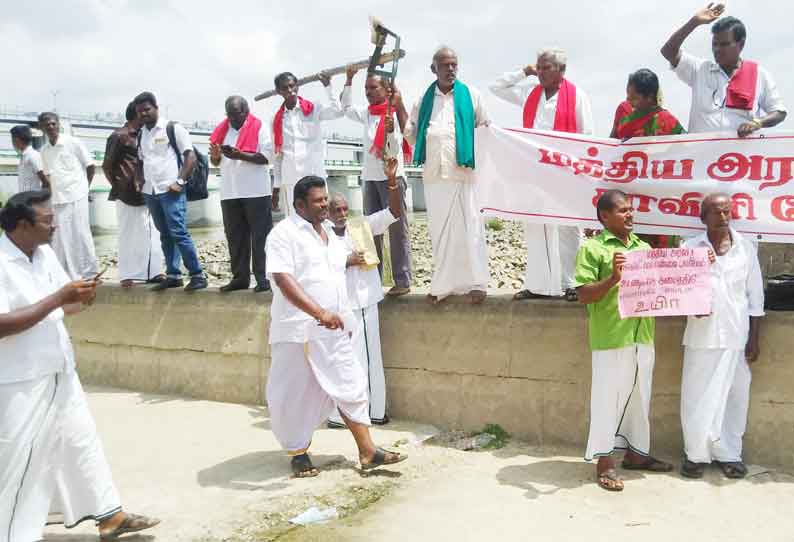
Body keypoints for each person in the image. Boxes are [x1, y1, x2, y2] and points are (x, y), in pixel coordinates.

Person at [0, 191, 159, 542]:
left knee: (80, 440)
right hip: (20, 379)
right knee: (21, 460)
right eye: (47, 219)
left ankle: (109, 515)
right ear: (23, 225)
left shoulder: (43, 255)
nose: (55, 224)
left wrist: (80, 299)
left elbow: (58, 308)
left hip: (59, 368)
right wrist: (59, 298)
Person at [264, 175, 407, 477]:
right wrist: (318, 313)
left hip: (335, 329)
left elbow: (337, 272)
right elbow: (282, 279)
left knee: (351, 384)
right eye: (318, 201)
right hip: (298, 331)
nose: (325, 206)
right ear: (299, 204)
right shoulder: (284, 234)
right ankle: (298, 452)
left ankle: (368, 451)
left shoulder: (329, 233)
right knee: (294, 395)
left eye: (325, 199)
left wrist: (342, 317)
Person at [575, 189, 672, 491]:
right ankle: (604, 463)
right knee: (607, 400)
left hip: (642, 335)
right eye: (622, 210)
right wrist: (614, 279)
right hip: (611, 337)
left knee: (640, 398)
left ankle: (637, 455)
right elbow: (583, 294)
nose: (630, 214)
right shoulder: (593, 248)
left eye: (631, 210)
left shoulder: (643, 247)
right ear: (604, 216)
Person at [489, 48, 593, 302]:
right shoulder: (528, 93)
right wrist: (524, 71)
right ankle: (537, 285)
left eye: (546, 67)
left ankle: (570, 284)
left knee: (567, 229)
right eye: (538, 67)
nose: (541, 72)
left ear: (561, 71)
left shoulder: (577, 96)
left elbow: (587, 136)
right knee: (536, 228)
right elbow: (496, 87)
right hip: (534, 174)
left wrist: (582, 177)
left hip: (564, 174)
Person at [679, 193, 764, 479]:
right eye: (717, 212)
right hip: (701, 336)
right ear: (704, 218)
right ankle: (695, 455)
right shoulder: (689, 248)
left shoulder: (746, 249)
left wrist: (754, 338)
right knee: (696, 396)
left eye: (728, 211)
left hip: (736, 336)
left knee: (735, 397)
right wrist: (699, 266)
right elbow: (679, 293)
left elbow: (755, 296)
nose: (724, 217)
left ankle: (729, 454)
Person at [402, 46, 490, 304]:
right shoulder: (423, 99)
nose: (450, 69)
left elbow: (485, 128)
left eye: (454, 64)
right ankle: (444, 284)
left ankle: (477, 283)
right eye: (445, 65)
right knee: (439, 230)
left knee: (470, 228)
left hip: (464, 173)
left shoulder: (472, 95)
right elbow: (411, 133)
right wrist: (397, 113)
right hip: (434, 175)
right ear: (434, 69)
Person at [326, 157, 402, 427]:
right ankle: (340, 415)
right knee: (342, 361)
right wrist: (347, 261)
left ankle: (375, 412)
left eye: (345, 208)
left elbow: (393, 213)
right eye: (336, 210)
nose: (342, 213)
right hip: (339, 307)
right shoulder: (320, 234)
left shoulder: (362, 225)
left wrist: (391, 182)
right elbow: (315, 266)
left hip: (366, 302)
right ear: (327, 212)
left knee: (370, 359)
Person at [661, 4, 787, 137]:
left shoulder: (759, 75)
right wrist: (694, 22)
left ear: (741, 44)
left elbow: (779, 112)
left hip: (740, 156)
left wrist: (758, 123)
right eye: (715, 44)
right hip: (701, 155)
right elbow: (668, 51)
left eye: (724, 44)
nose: (717, 49)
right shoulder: (700, 69)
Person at [341, 66, 413, 297]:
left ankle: (402, 280)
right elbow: (346, 108)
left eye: (373, 88)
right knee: (369, 230)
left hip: (392, 178)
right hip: (370, 178)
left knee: (397, 230)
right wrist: (349, 80)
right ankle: (374, 280)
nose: (369, 92)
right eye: (366, 88)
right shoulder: (367, 113)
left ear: (386, 89)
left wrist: (394, 123)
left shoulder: (394, 112)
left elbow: (408, 134)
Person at [134, 91, 207, 291]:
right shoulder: (142, 133)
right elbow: (141, 160)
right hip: (151, 191)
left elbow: (190, 157)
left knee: (179, 232)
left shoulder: (172, 129)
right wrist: (139, 179)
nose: (143, 114)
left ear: (156, 108)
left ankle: (197, 275)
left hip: (171, 189)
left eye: (147, 110)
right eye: (140, 112)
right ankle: (174, 274)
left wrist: (180, 181)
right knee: (164, 233)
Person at [209, 95, 273, 293]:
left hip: (256, 191)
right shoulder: (222, 130)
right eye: (229, 114)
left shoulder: (260, 127)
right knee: (235, 237)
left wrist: (239, 155)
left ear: (246, 111)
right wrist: (217, 156)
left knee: (261, 237)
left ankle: (264, 278)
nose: (232, 118)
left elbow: (267, 158)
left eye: (236, 114)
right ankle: (240, 278)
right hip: (230, 191)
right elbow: (215, 163)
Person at [101, 101, 165, 288]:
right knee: (128, 234)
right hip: (126, 194)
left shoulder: (145, 135)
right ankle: (128, 274)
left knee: (151, 232)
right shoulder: (119, 136)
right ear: (136, 116)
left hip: (147, 191)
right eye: (141, 113)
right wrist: (118, 186)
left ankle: (154, 272)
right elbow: (107, 166)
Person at [270, 71, 344, 214]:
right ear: (279, 91)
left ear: (297, 87)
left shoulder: (312, 109)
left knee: (321, 216)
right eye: (285, 88)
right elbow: (277, 155)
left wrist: (328, 86)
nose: (290, 91)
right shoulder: (276, 119)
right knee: (293, 220)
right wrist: (276, 188)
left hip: (314, 175)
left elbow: (337, 112)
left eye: (292, 86)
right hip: (290, 178)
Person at [38, 112, 99, 280]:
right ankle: (66, 274)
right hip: (58, 197)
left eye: (53, 123)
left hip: (77, 194)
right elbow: (48, 175)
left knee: (81, 232)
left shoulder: (73, 143)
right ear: (41, 128)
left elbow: (90, 166)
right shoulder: (44, 150)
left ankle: (90, 272)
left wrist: (85, 188)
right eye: (46, 125)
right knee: (61, 237)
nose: (50, 127)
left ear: (58, 124)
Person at [615, 69, 686, 139]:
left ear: (650, 97)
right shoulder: (624, 109)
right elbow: (612, 142)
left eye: (634, 98)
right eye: (628, 96)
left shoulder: (667, 121)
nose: (629, 101)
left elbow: (687, 144)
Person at [11, 125, 48, 193]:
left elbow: (45, 181)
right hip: (25, 200)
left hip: (32, 200)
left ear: (17, 140)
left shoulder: (33, 156)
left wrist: (39, 199)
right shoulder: (24, 156)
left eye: (12, 139)